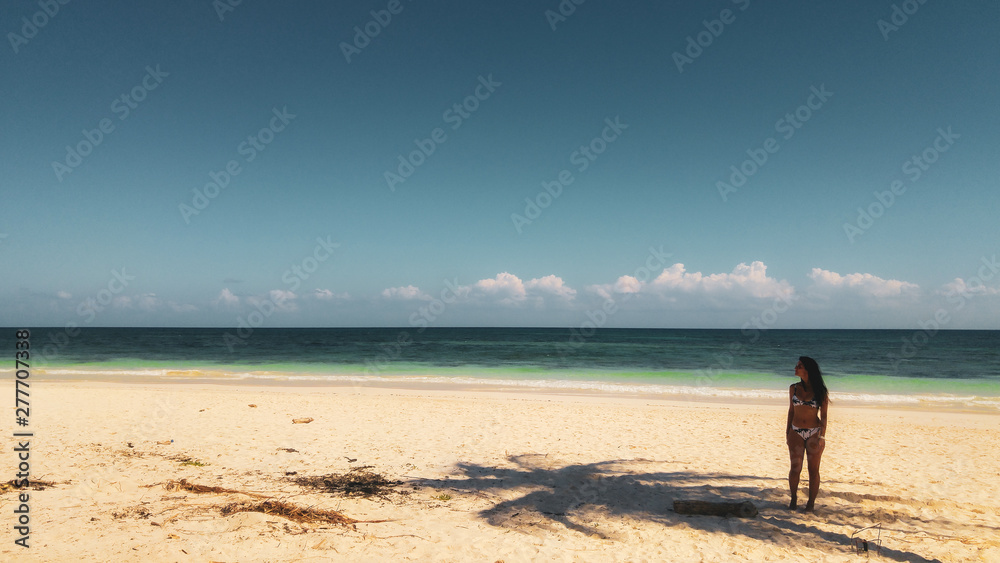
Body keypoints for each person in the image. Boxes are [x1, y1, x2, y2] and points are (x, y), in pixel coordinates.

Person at [786, 356, 829, 511]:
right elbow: (791, 411)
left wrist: (822, 436)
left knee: (813, 470)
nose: (796, 368)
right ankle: (793, 498)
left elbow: (824, 416)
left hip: (814, 433)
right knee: (795, 468)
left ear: (808, 370)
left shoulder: (820, 391)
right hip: (795, 432)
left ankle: (810, 503)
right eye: (797, 365)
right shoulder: (793, 388)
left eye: (799, 366)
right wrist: (788, 432)